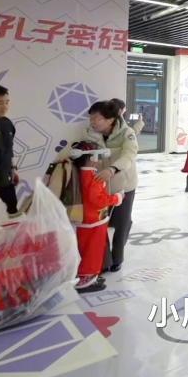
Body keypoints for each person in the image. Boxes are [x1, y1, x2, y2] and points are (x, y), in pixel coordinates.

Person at [85, 100, 138, 273]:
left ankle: (117, 258)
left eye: (97, 118)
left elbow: (129, 155)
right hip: (100, 187)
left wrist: (112, 168)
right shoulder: (90, 134)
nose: (93, 122)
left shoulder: (127, 133)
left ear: (110, 119)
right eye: (91, 118)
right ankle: (104, 260)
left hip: (123, 185)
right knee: (100, 224)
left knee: (121, 223)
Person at [69, 141, 122, 293]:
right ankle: (86, 280)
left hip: (85, 221)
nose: (99, 160)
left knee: (87, 249)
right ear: (92, 158)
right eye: (97, 156)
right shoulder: (92, 176)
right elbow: (98, 200)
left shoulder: (79, 173)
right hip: (94, 221)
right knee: (93, 252)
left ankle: (90, 276)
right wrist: (116, 198)